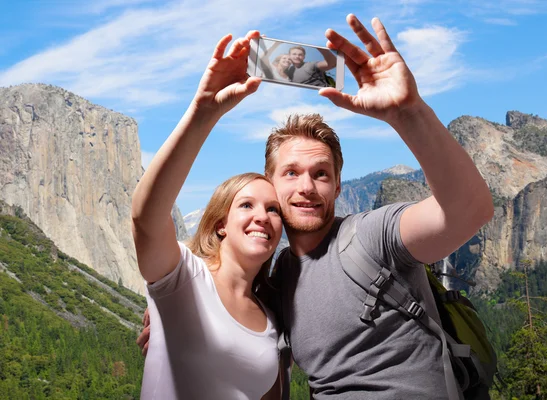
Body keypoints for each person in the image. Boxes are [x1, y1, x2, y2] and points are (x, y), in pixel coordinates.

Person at [138, 14, 494, 399]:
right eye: (291, 173)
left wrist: (408, 112)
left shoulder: (373, 236)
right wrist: (170, 312)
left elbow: (468, 210)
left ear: (338, 186)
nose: (306, 186)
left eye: (320, 174)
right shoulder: (277, 283)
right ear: (271, 183)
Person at [131, 31, 284, 399]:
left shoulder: (271, 317)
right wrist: (204, 112)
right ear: (221, 224)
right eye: (246, 205)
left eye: (273, 209)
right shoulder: (182, 277)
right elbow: (146, 217)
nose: (262, 216)